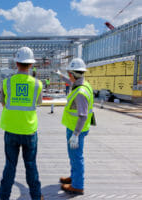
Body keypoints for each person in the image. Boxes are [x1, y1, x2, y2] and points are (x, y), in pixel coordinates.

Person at [0, 47, 44, 200]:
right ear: (31, 65)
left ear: (16, 63)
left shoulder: (6, 83)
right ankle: (36, 196)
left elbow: (2, 103)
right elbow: (39, 103)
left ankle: (3, 196)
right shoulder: (37, 84)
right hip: (29, 130)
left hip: (11, 130)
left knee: (10, 165)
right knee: (31, 165)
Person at [54, 58, 94, 195]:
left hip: (76, 129)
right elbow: (70, 82)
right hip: (76, 127)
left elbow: (82, 115)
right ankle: (74, 177)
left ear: (73, 74)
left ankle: (77, 185)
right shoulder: (82, 84)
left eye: (68, 73)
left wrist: (75, 135)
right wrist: (60, 75)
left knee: (76, 156)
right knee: (73, 156)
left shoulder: (80, 93)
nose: (68, 76)